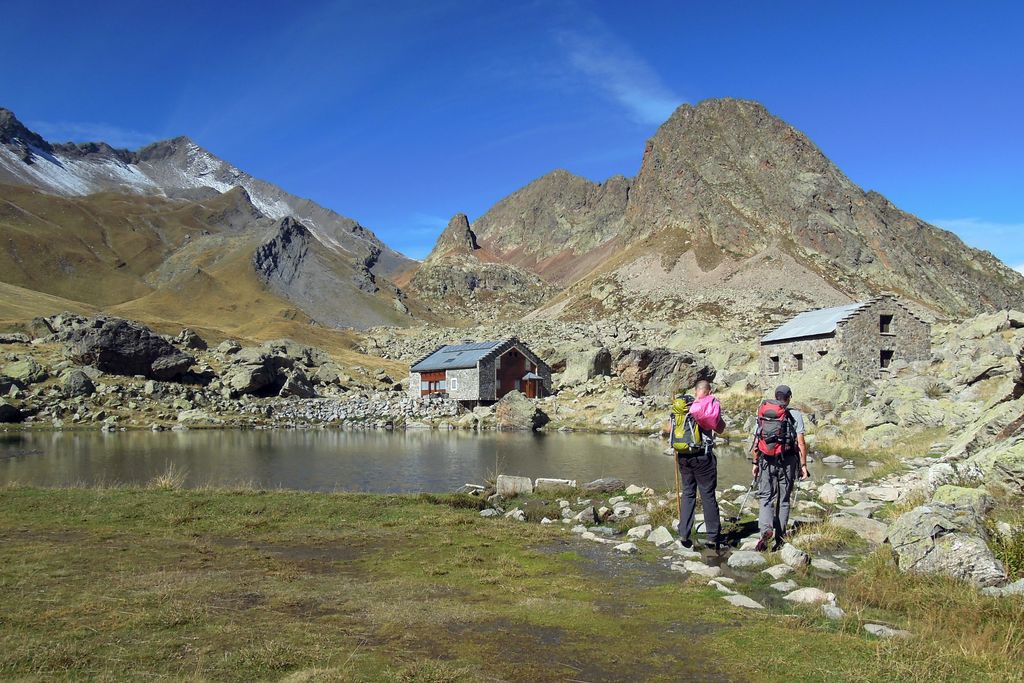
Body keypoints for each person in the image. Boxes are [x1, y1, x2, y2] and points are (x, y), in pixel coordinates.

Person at [750, 384, 809, 551]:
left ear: (776, 396)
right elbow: (801, 443)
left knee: (765, 497)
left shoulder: (764, 412)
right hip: (788, 461)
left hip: (766, 460)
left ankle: (766, 531)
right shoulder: (795, 414)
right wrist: (803, 465)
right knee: (783, 500)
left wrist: (755, 463)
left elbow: (756, 439)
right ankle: (780, 537)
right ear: (789, 398)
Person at [671, 379, 727, 551]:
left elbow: (669, 429)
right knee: (707, 495)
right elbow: (720, 428)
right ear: (708, 391)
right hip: (703, 457)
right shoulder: (706, 405)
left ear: (696, 391)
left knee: (688, 493)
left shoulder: (681, 406)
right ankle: (712, 536)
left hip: (683, 456)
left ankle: (684, 533)